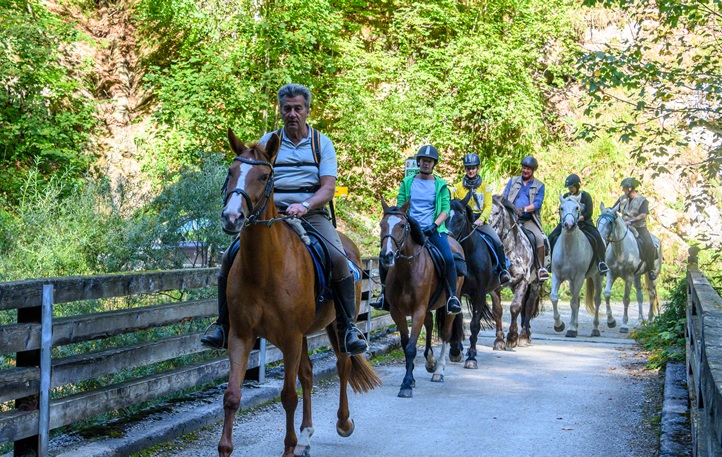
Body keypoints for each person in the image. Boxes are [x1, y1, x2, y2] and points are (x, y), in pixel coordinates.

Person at [202, 83, 367, 355]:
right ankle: (223, 324)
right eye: (287, 109)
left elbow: (327, 188)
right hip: (271, 215)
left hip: (312, 214)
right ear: (280, 112)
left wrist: (305, 204)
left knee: (339, 259)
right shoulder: (269, 141)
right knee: (228, 256)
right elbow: (253, 176)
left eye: (298, 108)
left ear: (307, 111)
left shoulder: (321, 143)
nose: (292, 113)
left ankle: (348, 328)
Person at [372, 145, 462, 315]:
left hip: (433, 229)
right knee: (385, 253)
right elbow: (401, 207)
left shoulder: (441, 185)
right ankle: (384, 295)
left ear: (433, 164)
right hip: (409, 229)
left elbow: (444, 209)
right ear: (418, 162)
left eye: (429, 161)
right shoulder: (407, 182)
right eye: (423, 161)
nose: (425, 164)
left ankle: (451, 298)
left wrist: (434, 225)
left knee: (448, 258)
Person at [454, 153, 511, 285]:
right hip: (464, 221)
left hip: (480, 221)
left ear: (478, 168)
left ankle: (503, 271)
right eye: (468, 168)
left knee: (497, 242)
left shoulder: (485, 187)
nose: (471, 171)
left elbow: (488, 205)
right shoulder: (457, 187)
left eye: (473, 168)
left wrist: (482, 219)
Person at [547, 173, 609, 275]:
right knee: (550, 237)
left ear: (577, 185)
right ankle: (549, 263)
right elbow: (562, 211)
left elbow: (589, 212)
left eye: (571, 187)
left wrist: (578, 219)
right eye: (568, 187)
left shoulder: (586, 196)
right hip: (568, 224)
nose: (570, 189)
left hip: (584, 223)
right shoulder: (566, 197)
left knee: (597, 238)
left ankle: (601, 263)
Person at [502, 156, 549, 281]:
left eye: (528, 169)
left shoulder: (539, 186)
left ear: (533, 170)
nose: (525, 171)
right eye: (524, 168)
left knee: (539, 238)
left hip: (528, 220)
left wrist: (523, 209)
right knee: (498, 235)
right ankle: (499, 268)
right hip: (511, 219)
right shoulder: (513, 181)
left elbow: (538, 203)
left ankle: (540, 268)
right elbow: (505, 196)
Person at [614, 177, 657, 281]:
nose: (622, 190)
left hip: (639, 228)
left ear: (630, 188)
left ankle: (651, 269)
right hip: (624, 227)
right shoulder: (622, 199)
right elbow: (614, 209)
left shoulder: (642, 200)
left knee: (649, 244)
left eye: (624, 188)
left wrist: (631, 221)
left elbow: (643, 215)